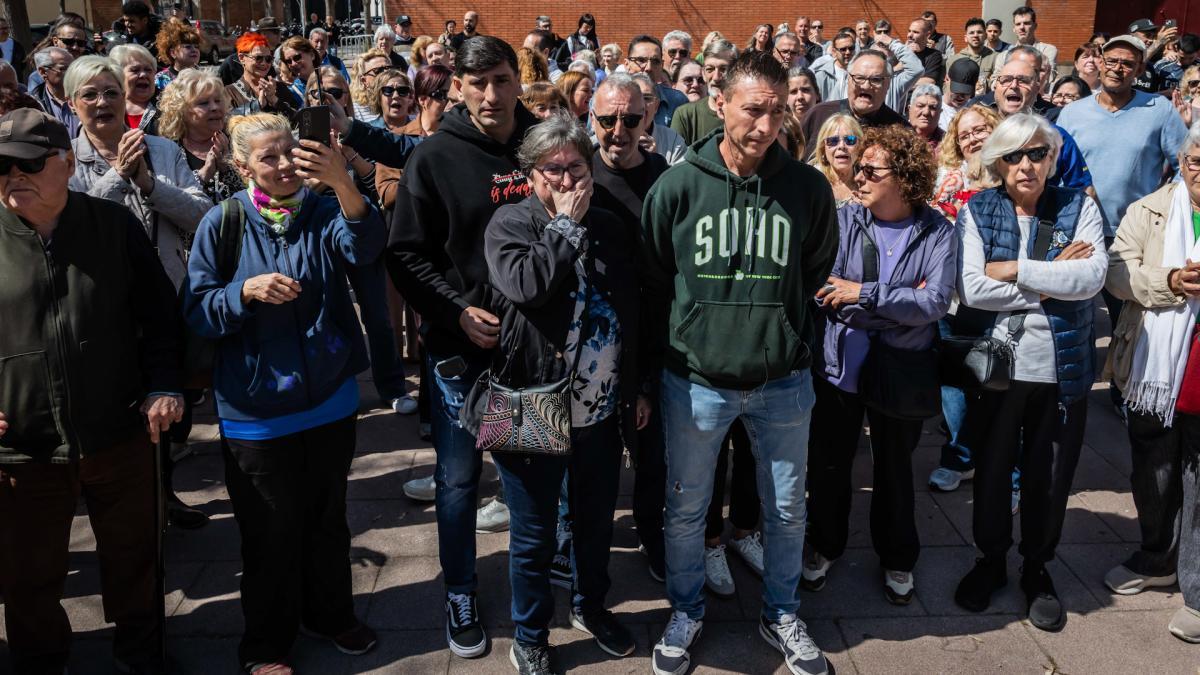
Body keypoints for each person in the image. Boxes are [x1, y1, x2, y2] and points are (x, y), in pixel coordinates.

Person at [642, 50, 837, 675]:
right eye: (753, 109)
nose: (766, 124)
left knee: (787, 510)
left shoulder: (805, 188)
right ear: (718, 104)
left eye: (778, 112)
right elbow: (656, 275)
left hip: (782, 381)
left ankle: (781, 613)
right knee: (687, 507)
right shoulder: (678, 186)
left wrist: (775, 327)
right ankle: (686, 608)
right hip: (696, 382)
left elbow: (813, 269)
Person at [182, 111, 383, 674]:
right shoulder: (221, 223)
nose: (282, 165)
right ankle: (266, 644)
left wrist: (343, 180)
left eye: (288, 152)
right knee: (269, 534)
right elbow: (197, 310)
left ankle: (331, 615)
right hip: (256, 413)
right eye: (268, 157)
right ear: (242, 165)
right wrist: (242, 291)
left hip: (329, 399)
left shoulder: (321, 209)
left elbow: (365, 249)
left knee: (327, 519)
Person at [0, 108, 183, 675]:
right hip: (24, 445)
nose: (12, 178)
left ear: (64, 162)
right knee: (27, 573)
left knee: (134, 557)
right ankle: (40, 662)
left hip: (120, 428)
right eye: (1, 167)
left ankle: (142, 651)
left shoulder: (111, 224)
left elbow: (161, 318)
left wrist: (165, 386)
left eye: (27, 164)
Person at [383, 36, 538, 659]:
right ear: (459, 87)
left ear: (517, 79)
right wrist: (453, 310)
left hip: (530, 354)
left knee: (527, 476)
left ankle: (535, 586)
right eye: (478, 84)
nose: (492, 95)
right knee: (459, 480)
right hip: (461, 354)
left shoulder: (543, 145)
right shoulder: (435, 157)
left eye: (501, 79)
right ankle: (462, 591)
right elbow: (405, 254)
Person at [478, 109, 642, 673]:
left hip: (597, 407)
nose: (568, 180)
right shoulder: (509, 224)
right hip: (532, 403)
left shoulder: (613, 226)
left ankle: (591, 607)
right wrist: (565, 228)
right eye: (554, 170)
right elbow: (528, 286)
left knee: (596, 521)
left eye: (577, 167)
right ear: (531, 177)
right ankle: (530, 636)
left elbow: (631, 312)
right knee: (533, 535)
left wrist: (636, 387)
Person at [953, 113, 1107, 632]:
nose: (1026, 164)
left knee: (1048, 476)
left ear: (1053, 157)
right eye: (1014, 155)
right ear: (998, 160)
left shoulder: (1077, 205)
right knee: (994, 469)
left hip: (1063, 368)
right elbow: (973, 288)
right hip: (1003, 367)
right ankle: (991, 560)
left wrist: (1017, 270)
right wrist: (1052, 276)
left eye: (1037, 153)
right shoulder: (981, 209)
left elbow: (1089, 278)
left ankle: (1037, 567)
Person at [804, 124, 955, 605]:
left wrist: (864, 295)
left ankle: (897, 559)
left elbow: (934, 302)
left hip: (901, 369)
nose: (858, 175)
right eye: (858, 167)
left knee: (894, 469)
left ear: (905, 177)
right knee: (830, 465)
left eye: (871, 169)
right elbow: (825, 288)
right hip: (840, 365)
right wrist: (894, 306)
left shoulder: (938, 231)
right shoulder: (844, 220)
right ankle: (824, 546)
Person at [1104, 122, 1200, 644]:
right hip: (1151, 364)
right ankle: (1156, 553)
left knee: (1199, 475)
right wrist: (1168, 282)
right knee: (1153, 461)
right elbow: (1117, 275)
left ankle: (1199, 589)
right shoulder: (1148, 209)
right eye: (1195, 162)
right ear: (1181, 162)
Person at [800, 49, 914, 160]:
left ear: (888, 84)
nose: (865, 86)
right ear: (848, 79)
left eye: (876, 79)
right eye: (859, 78)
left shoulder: (901, 130)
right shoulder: (819, 115)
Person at [157, 68, 244, 205]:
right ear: (182, 109)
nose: (215, 107)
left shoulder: (240, 139)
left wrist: (226, 167)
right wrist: (203, 175)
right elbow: (168, 201)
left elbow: (255, 195)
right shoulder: (167, 149)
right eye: (204, 103)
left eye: (218, 100)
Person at [931, 104, 1002, 219]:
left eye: (979, 131)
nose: (972, 140)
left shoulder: (1012, 167)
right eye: (964, 137)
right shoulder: (950, 180)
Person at [669, 39, 735, 145]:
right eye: (710, 69)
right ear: (703, 74)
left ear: (736, 72)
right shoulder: (685, 115)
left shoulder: (748, 113)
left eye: (723, 69)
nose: (716, 77)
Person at [226, 32, 297, 119]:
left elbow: (297, 121)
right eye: (258, 58)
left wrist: (275, 101)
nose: (264, 63)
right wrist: (258, 105)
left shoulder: (280, 88)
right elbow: (227, 122)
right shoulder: (229, 93)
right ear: (241, 58)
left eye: (268, 59)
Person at [625, 35, 688, 126]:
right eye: (641, 60)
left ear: (662, 66)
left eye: (655, 61)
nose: (649, 68)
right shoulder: (610, 99)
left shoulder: (677, 101)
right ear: (627, 64)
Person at [632, 73, 687, 165]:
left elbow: (680, 177)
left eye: (647, 98)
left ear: (656, 106)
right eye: (635, 98)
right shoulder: (613, 136)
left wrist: (656, 161)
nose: (641, 104)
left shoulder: (673, 141)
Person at [810, 112, 863, 207]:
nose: (842, 146)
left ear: (859, 147)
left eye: (850, 140)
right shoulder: (811, 181)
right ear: (823, 149)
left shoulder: (868, 181)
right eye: (833, 141)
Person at [108, 44, 159, 133]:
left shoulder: (170, 105)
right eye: (135, 70)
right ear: (118, 75)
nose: (143, 75)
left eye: (148, 70)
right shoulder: (106, 105)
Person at [31, 47, 79, 137]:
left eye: (74, 67)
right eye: (64, 68)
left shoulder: (87, 97)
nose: (72, 72)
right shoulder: (32, 104)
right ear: (43, 72)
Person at [218, 17, 281, 86]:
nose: (279, 35)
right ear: (264, 34)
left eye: (269, 59)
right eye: (276, 32)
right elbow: (218, 89)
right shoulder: (231, 63)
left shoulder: (271, 58)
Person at [1000, 6, 1058, 77]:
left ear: (1035, 26)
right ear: (1014, 29)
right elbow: (995, 81)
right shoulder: (1003, 56)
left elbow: (1049, 77)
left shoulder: (1047, 50)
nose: (1022, 27)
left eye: (1026, 23)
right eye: (1018, 24)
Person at [948, 18, 998, 91]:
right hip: (961, 101)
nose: (975, 35)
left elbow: (999, 83)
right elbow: (947, 86)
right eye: (971, 33)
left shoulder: (996, 58)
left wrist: (985, 83)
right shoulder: (953, 60)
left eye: (979, 32)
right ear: (966, 38)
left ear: (985, 36)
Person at [809, 30, 857, 101]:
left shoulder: (860, 73)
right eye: (843, 49)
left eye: (851, 48)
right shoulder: (822, 75)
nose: (848, 52)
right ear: (834, 52)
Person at [153, 19, 202, 90]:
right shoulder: (160, 79)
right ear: (173, 53)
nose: (194, 50)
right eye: (188, 47)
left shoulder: (204, 76)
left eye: (197, 47)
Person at [349, 48, 392, 123]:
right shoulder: (354, 110)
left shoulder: (403, 101)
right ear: (364, 80)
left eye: (389, 69)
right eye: (377, 71)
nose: (386, 74)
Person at [368, 69, 415, 134]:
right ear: (378, 97)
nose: (396, 96)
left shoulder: (422, 133)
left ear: (410, 98)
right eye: (388, 90)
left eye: (402, 90)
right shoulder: (368, 132)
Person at [278, 36, 318, 107]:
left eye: (297, 57)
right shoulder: (292, 92)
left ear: (312, 55)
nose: (293, 64)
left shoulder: (331, 79)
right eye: (289, 61)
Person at [907, 18, 946, 84]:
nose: (909, 35)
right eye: (909, 31)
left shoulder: (934, 55)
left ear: (927, 35)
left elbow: (929, 81)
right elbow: (888, 74)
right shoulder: (899, 52)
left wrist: (899, 84)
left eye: (915, 32)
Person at [908, 83, 944, 149]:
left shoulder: (948, 142)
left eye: (933, 107)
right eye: (920, 106)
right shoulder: (896, 137)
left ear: (940, 112)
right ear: (909, 109)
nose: (926, 112)